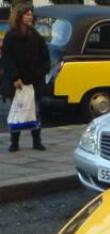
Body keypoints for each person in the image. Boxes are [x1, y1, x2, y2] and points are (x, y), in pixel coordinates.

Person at [1, 4, 50, 152]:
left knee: (35, 111)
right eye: (27, 14)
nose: (30, 16)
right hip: (17, 83)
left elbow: (45, 58)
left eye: (31, 14)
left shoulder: (36, 36)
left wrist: (40, 72)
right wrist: (15, 78)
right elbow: (7, 60)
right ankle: (14, 142)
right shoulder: (10, 37)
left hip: (34, 81)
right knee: (17, 111)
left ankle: (37, 141)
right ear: (19, 17)